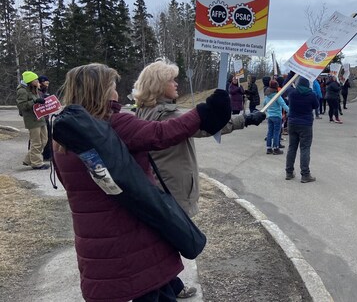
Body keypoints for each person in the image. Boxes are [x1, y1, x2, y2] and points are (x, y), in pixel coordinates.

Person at [52, 63, 231, 302]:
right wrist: (205, 112)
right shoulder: (111, 125)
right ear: (102, 92)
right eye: (112, 87)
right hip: (132, 232)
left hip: (93, 240)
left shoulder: (61, 135)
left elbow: (68, 183)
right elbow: (161, 134)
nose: (116, 93)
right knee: (150, 291)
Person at [133, 60, 264, 298]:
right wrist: (245, 119)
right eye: (171, 80)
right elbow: (205, 126)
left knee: (160, 240)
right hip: (172, 187)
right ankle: (165, 288)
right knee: (168, 243)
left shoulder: (141, 110)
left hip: (157, 184)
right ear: (158, 85)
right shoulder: (167, 114)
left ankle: (171, 284)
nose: (176, 83)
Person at [285, 77, 319, 183]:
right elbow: (316, 105)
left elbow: (285, 85)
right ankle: (305, 174)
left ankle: (289, 172)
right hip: (306, 124)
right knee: (305, 148)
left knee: (292, 148)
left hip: (292, 123)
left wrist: (291, 75)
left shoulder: (292, 93)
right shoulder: (311, 94)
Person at [16, 70, 49, 169]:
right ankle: (37, 163)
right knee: (36, 141)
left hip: (40, 117)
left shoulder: (34, 88)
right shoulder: (22, 91)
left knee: (44, 139)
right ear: (30, 81)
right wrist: (35, 101)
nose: (37, 80)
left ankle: (28, 159)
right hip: (32, 119)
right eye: (35, 79)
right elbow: (22, 105)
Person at [263, 80, 289, 155]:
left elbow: (264, 105)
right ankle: (276, 148)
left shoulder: (267, 96)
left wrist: (267, 112)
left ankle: (268, 148)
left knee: (270, 132)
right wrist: (290, 111)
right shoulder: (277, 96)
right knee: (276, 133)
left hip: (270, 116)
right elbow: (284, 105)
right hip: (277, 116)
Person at [38, 75, 53, 160]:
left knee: (48, 135)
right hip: (39, 117)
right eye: (45, 83)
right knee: (37, 137)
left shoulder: (44, 91)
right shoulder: (37, 91)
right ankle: (33, 155)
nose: (47, 85)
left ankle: (47, 153)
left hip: (45, 117)